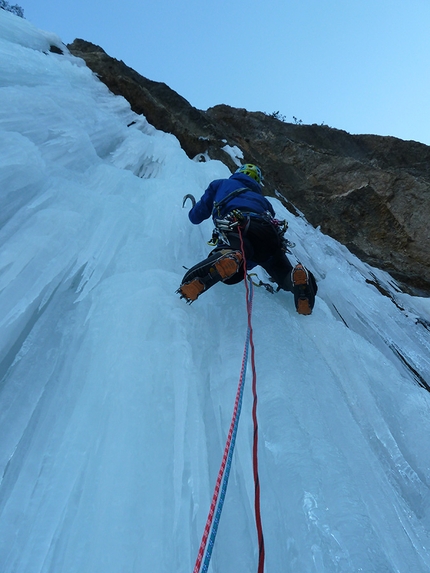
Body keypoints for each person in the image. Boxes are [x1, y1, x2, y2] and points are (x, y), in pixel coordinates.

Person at [178, 164, 317, 315]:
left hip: (239, 225)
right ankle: (296, 278)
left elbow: (196, 216)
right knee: (282, 272)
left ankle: (230, 256)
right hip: (268, 233)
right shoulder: (264, 201)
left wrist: (192, 212)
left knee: (234, 254)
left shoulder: (222, 184)